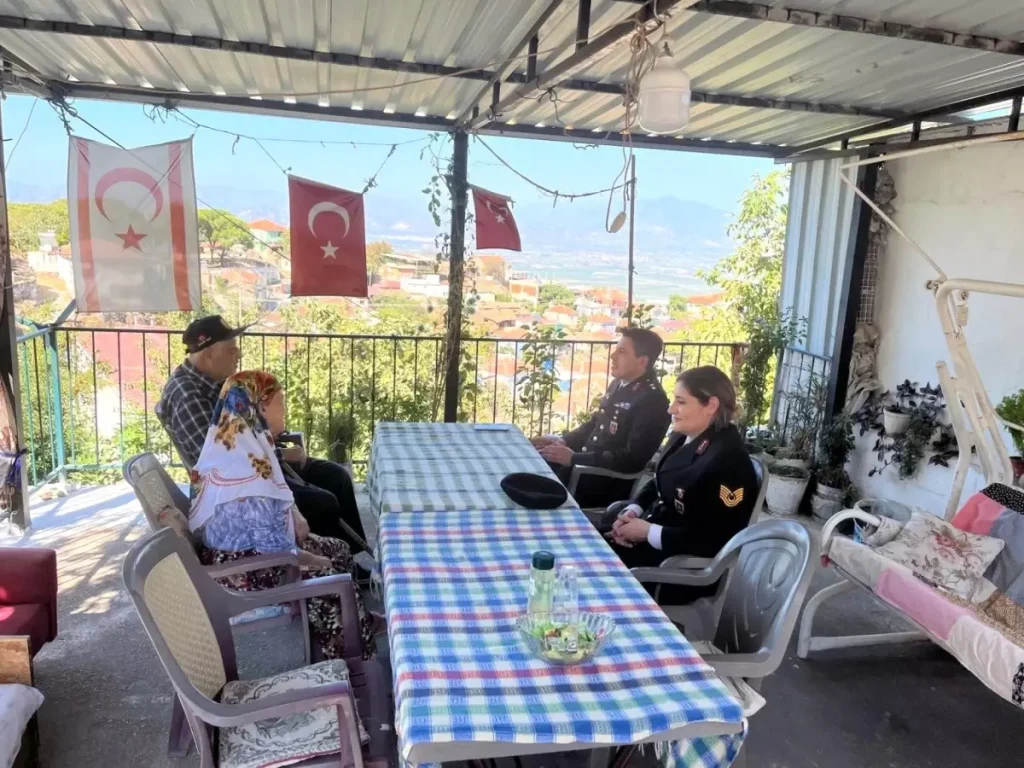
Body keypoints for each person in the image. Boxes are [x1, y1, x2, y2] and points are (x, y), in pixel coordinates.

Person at [188, 371, 378, 660]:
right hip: (244, 566)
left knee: (338, 550)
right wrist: (314, 558)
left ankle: (356, 623)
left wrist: (296, 518)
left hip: (245, 551)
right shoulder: (245, 472)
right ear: (260, 408)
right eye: (281, 402)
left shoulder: (237, 446)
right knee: (327, 572)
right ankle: (348, 656)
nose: (285, 410)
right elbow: (276, 549)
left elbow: (277, 508)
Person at [156, 315, 368, 552]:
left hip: (260, 467)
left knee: (336, 476)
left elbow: (243, 430)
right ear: (209, 355)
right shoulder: (188, 396)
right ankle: (329, 565)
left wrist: (272, 440)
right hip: (239, 493)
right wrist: (280, 455)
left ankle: (353, 560)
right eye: (231, 350)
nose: (238, 355)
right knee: (322, 503)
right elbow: (220, 462)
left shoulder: (213, 381)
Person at [607, 366, 759, 603]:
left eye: (681, 402)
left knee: (595, 574)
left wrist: (648, 532)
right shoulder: (684, 434)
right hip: (655, 544)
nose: (671, 409)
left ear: (711, 406)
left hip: (680, 569)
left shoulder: (729, 460)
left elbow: (718, 539)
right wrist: (633, 510)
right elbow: (659, 482)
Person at [533, 327, 671, 508]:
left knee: (529, 486)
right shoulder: (620, 383)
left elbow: (632, 459)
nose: (612, 357)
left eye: (621, 352)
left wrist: (574, 459)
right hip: (580, 468)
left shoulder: (653, 401)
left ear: (642, 361)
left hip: (597, 481)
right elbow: (595, 423)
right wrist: (562, 442)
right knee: (529, 458)